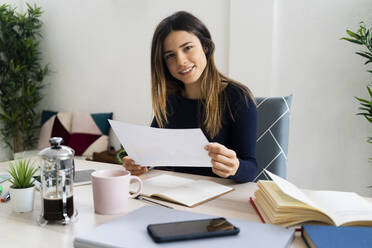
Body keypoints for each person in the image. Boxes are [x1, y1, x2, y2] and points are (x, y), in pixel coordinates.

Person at [123, 11, 257, 183]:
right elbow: (150, 154)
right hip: (176, 197)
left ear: (205, 47)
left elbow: (251, 169)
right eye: (170, 55)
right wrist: (140, 163)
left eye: (187, 48)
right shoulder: (169, 101)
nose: (181, 61)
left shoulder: (238, 98)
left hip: (221, 199)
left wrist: (235, 167)